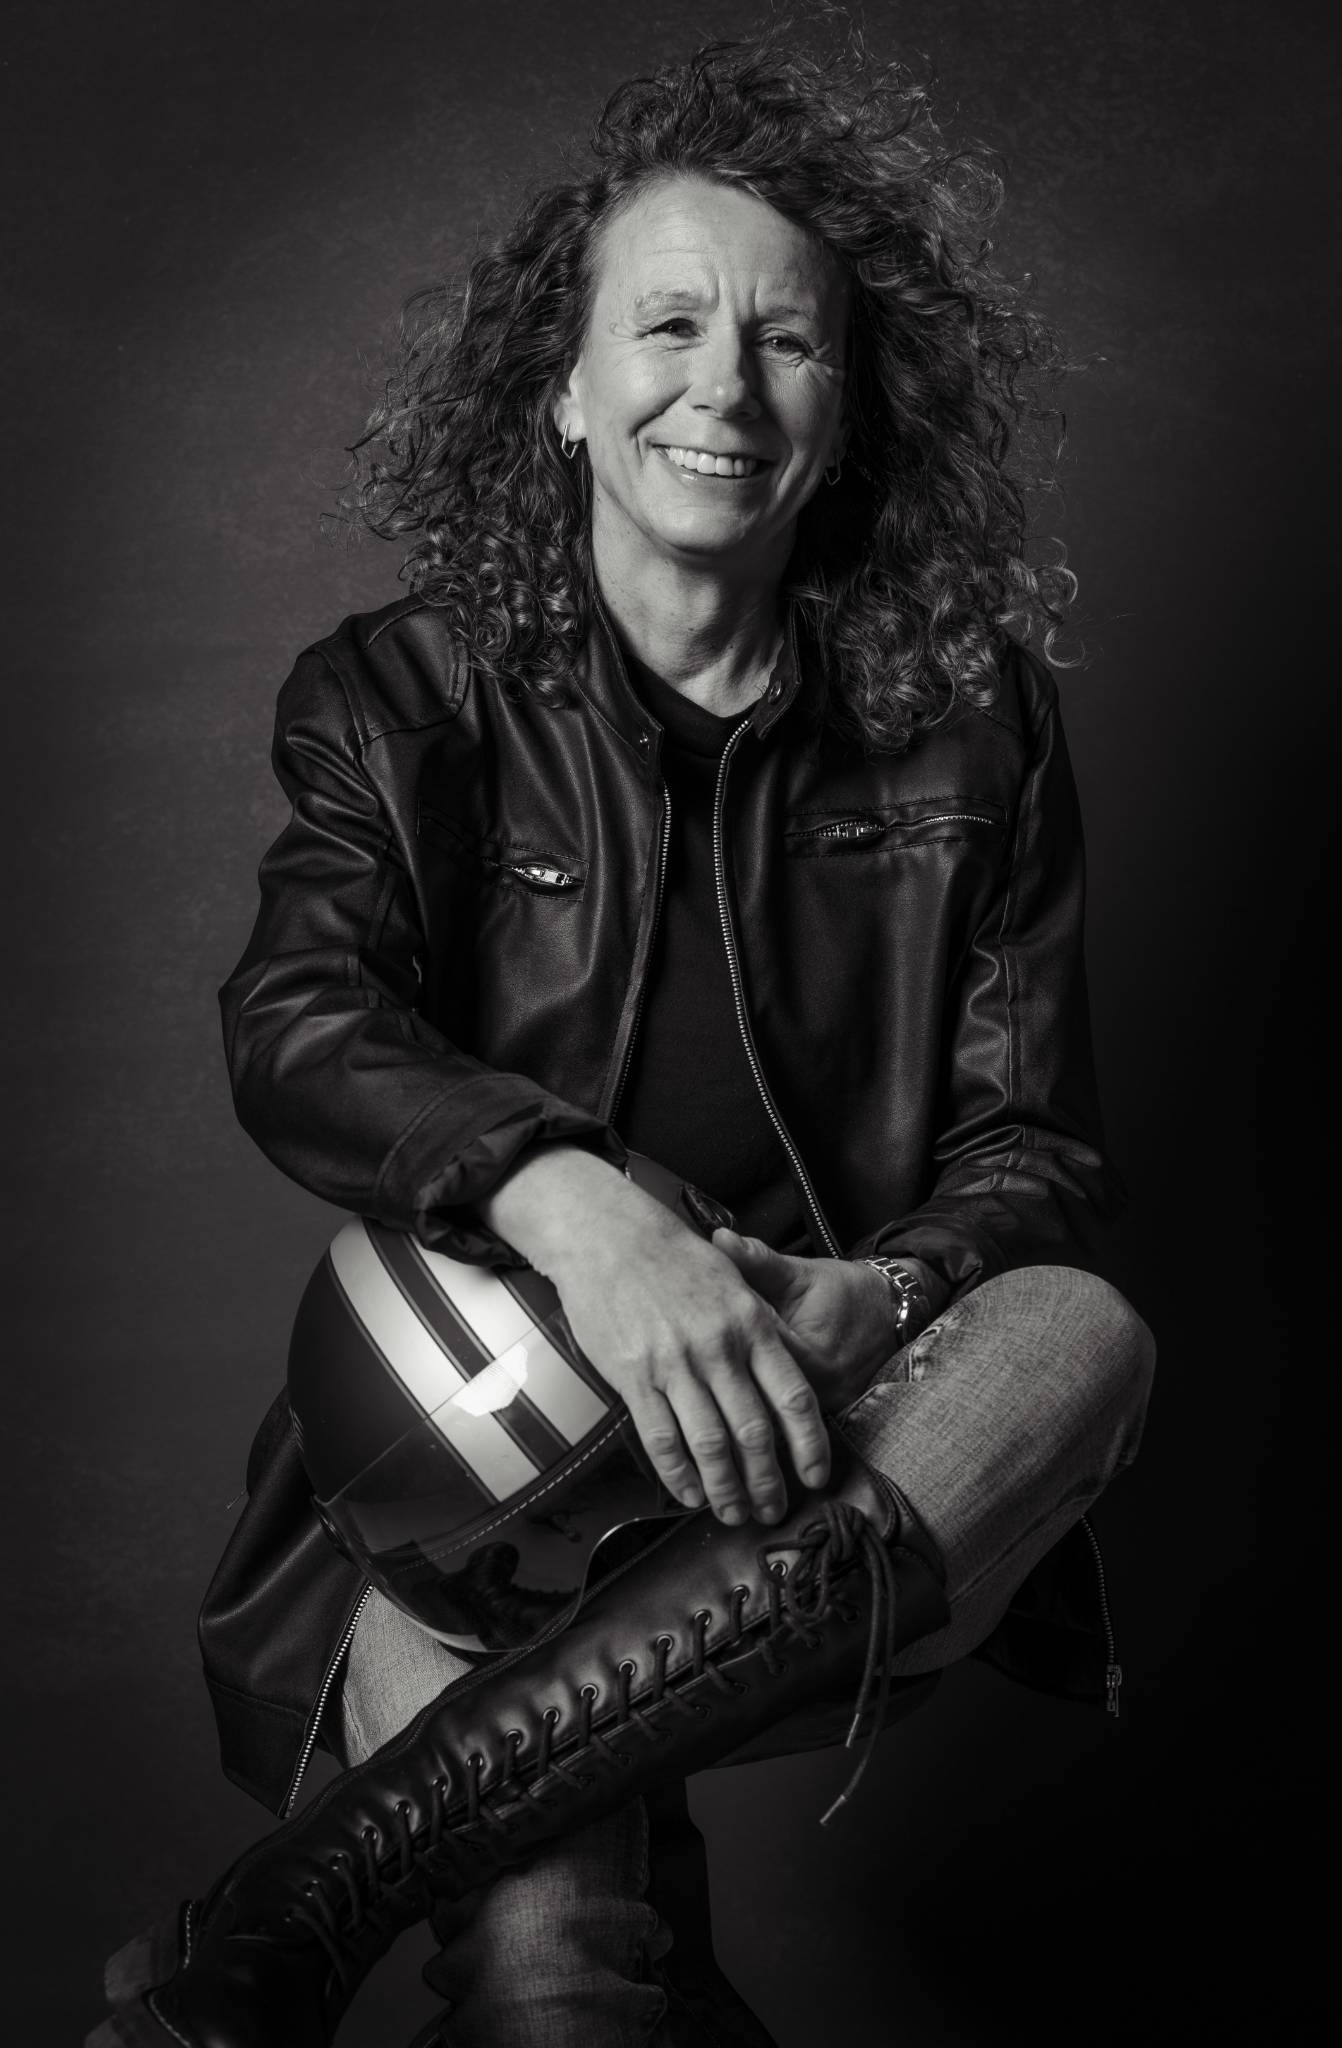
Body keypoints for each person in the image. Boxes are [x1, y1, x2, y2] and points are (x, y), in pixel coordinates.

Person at [90, 28, 1155, 2048]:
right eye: (665, 326)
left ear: (845, 412)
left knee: (1078, 1334)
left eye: (787, 341)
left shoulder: (973, 723)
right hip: (478, 1483)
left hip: (819, 1460)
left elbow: (1034, 1155)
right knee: (557, 1983)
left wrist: (871, 1297)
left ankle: (302, 1898)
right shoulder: (400, 699)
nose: (722, 386)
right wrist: (580, 1209)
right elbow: (296, 1018)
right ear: (564, 393)